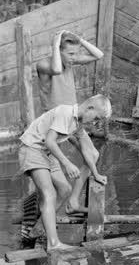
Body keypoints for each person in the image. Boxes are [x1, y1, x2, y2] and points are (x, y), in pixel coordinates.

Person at [18, 95, 112, 251]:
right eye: (96, 118)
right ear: (90, 108)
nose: (95, 122)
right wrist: (67, 163)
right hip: (32, 148)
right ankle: (53, 244)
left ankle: (39, 227)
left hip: (45, 152)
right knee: (49, 194)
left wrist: (95, 174)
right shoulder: (65, 113)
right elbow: (49, 141)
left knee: (65, 190)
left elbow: (87, 152)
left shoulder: (78, 124)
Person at [36, 30, 104, 213]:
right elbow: (56, 69)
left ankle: (73, 202)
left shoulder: (70, 62)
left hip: (74, 121)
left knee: (93, 155)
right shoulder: (43, 64)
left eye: (76, 53)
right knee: (55, 179)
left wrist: (80, 40)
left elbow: (99, 55)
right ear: (58, 50)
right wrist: (55, 41)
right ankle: (43, 216)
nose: (74, 58)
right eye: (71, 53)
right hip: (54, 123)